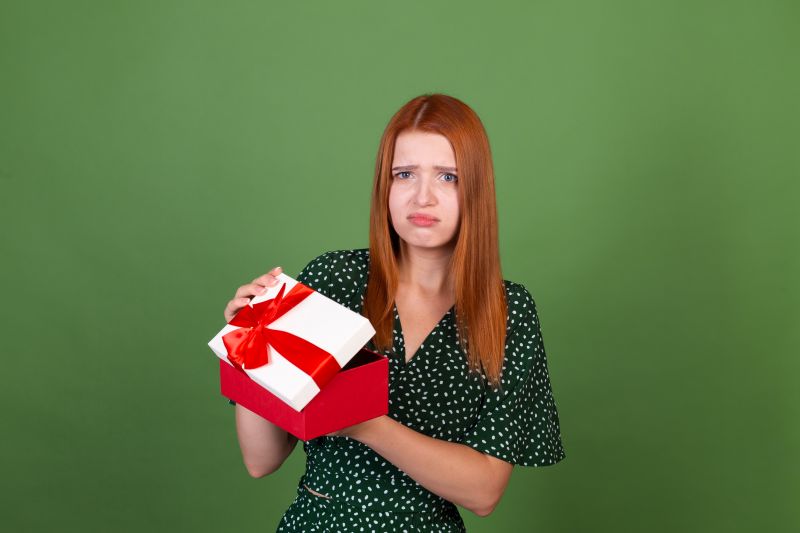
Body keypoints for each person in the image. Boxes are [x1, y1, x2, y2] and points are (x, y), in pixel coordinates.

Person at [223, 93, 565, 532]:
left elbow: (483, 492)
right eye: (404, 175)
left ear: (477, 188)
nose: (423, 197)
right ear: (385, 186)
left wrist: (366, 425)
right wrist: (250, 348)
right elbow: (261, 460)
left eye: (448, 177)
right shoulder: (334, 280)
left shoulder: (509, 311)